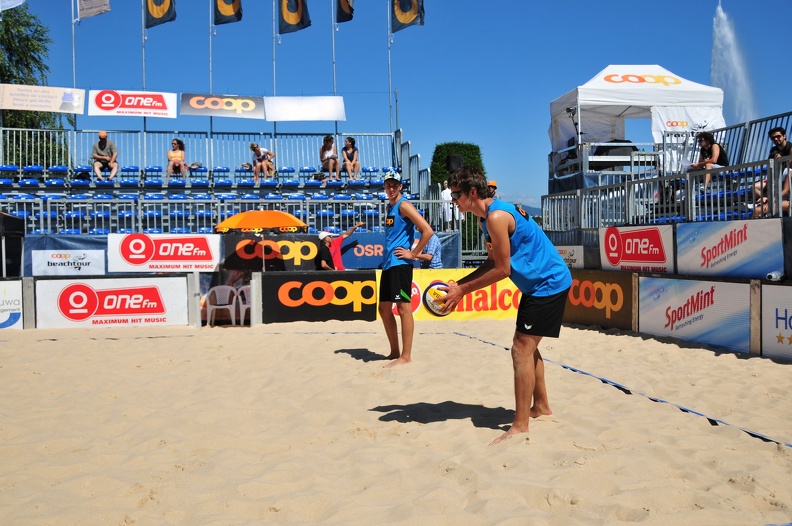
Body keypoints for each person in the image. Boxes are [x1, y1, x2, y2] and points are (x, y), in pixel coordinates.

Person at [439, 166, 572, 445]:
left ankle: (521, 425)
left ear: (473, 192)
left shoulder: (497, 217)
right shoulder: (486, 218)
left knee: (520, 349)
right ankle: (542, 406)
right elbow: (492, 261)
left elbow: (501, 270)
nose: (454, 200)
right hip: (538, 284)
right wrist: (459, 284)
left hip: (548, 283)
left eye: (457, 195)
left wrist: (462, 290)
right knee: (527, 347)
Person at [379, 172, 434, 368]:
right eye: (388, 185)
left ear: (400, 186)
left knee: (403, 308)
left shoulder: (403, 205)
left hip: (400, 264)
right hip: (389, 264)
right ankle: (394, 351)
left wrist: (414, 253)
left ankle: (406, 355)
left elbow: (427, 230)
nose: (391, 188)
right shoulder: (391, 206)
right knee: (384, 308)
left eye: (394, 185)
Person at [753, 127, 792, 208]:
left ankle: (769, 201)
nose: (776, 139)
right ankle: (765, 198)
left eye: (778, 136)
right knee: (754, 187)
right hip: (776, 176)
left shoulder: (790, 147)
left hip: (787, 176)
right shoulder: (774, 151)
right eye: (773, 138)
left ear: (784, 136)